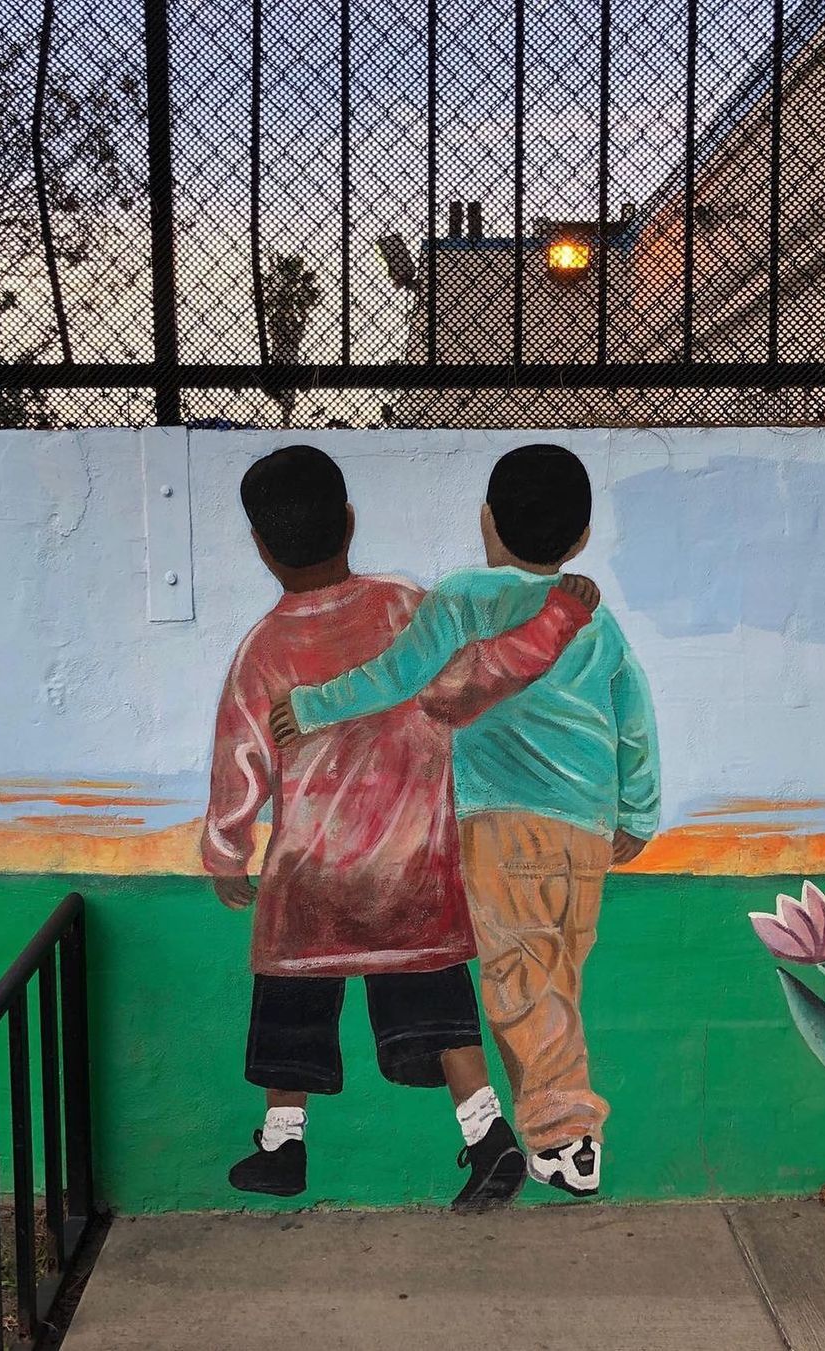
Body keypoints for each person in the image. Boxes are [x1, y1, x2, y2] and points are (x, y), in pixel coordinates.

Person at [201, 444, 599, 1209]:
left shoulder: (261, 650)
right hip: (413, 860)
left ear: (259, 546)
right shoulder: (408, 607)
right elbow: (477, 675)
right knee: (440, 1008)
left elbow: (239, 758)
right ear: (350, 521)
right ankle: (488, 1135)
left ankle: (283, 1145)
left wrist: (226, 847)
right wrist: (557, 617)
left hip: (312, 874)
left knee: (290, 1001)